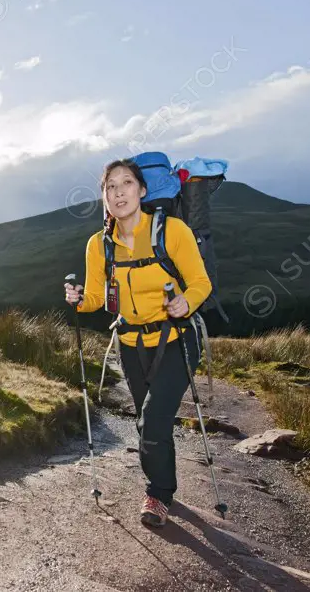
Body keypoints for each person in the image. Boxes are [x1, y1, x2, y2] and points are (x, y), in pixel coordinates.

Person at [64, 158, 212, 527]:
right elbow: (97, 300)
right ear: (104, 198)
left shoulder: (171, 231)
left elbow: (200, 283)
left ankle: (158, 494)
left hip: (176, 339)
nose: (118, 192)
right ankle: (165, 482)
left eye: (126, 183)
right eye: (110, 187)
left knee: (153, 417)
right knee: (150, 425)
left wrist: (185, 302)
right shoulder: (99, 245)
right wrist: (78, 299)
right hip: (130, 343)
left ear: (142, 191)